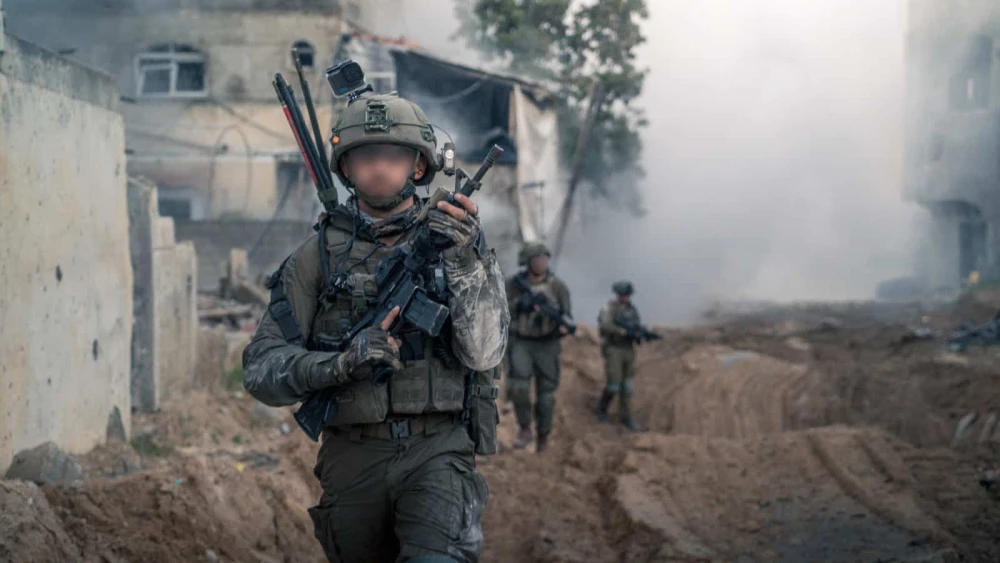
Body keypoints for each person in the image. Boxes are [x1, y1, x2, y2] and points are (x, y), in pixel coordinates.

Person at [242, 90, 509, 563]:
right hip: (353, 457)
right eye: (365, 156)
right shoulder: (316, 257)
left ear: (419, 167)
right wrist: (339, 364)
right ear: (345, 168)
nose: (380, 168)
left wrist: (465, 262)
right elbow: (261, 370)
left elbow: (486, 353)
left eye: (393, 156)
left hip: (438, 448)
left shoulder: (456, 240)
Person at [504, 242, 572, 452]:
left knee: (546, 397)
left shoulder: (557, 286)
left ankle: (543, 435)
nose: (542, 263)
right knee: (518, 387)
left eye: (545, 259)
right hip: (522, 342)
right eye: (538, 259)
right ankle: (525, 428)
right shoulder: (513, 285)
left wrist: (562, 326)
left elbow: (567, 315)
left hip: (547, 344)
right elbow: (501, 310)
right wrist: (520, 305)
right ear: (528, 262)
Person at [597, 281, 645, 431]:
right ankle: (602, 408)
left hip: (628, 349)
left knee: (627, 386)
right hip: (614, 348)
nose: (625, 297)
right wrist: (623, 332)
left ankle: (626, 417)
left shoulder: (632, 310)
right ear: (618, 294)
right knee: (613, 385)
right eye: (623, 294)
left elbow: (636, 325)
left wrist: (639, 333)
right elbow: (605, 325)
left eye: (628, 295)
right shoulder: (609, 307)